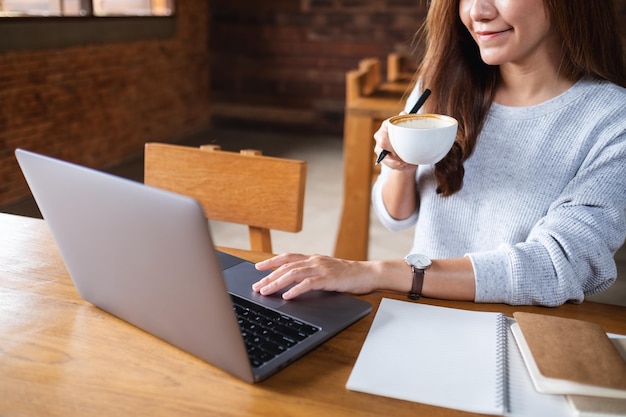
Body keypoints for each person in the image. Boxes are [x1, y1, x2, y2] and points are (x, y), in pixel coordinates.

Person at [253, 0, 626, 306]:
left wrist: (378, 271)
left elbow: (557, 266)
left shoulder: (612, 119)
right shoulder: (444, 85)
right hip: (424, 309)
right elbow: (396, 216)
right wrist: (398, 166)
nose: (477, 11)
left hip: (524, 331)